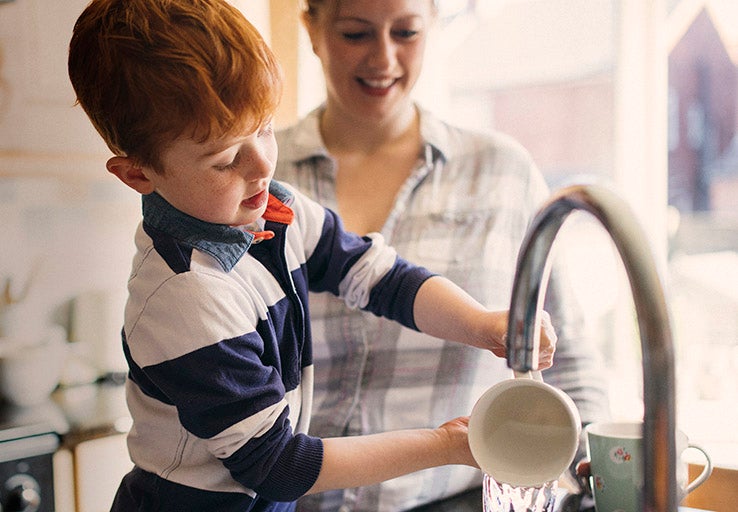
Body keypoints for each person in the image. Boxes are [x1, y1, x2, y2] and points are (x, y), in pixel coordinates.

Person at [66, 1, 558, 511]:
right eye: (226, 158)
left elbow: (380, 277)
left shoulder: (272, 210)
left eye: (264, 129)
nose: (261, 166)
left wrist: (481, 325)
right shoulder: (184, 295)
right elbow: (280, 466)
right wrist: (449, 444)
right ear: (138, 175)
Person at [274, 0, 611, 511]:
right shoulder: (257, 179)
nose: (383, 58)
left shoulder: (500, 172)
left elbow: (568, 356)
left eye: (406, 32)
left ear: (432, 26)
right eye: (355, 34)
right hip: (284, 498)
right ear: (313, 29)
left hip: (450, 498)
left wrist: (595, 474)